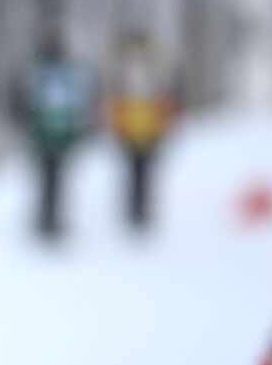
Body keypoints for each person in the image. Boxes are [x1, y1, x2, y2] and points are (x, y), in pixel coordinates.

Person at [11, 34, 97, 239]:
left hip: (41, 133)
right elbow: (82, 101)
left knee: (46, 176)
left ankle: (46, 218)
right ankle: (53, 218)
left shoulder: (35, 70)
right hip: (62, 133)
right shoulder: (69, 71)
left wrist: (25, 122)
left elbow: (20, 100)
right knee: (57, 176)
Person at [105, 29, 180, 231]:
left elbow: (165, 99)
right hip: (137, 128)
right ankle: (137, 212)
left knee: (140, 173)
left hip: (143, 128)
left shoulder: (145, 68)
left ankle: (139, 212)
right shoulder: (143, 68)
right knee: (138, 173)